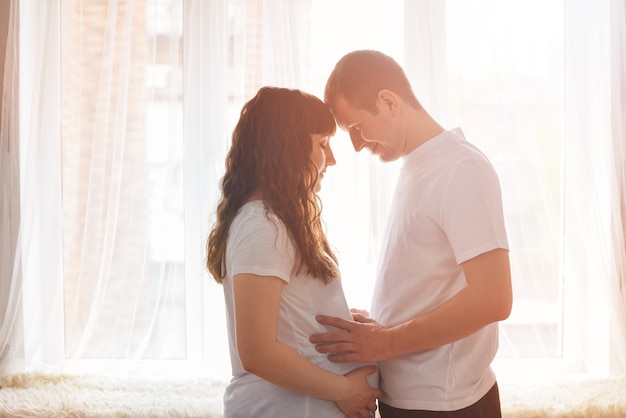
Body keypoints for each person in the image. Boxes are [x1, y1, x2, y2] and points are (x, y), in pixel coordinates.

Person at [309, 50, 513, 417]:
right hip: (409, 397)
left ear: (388, 102)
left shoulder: (461, 169)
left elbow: (493, 298)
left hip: (445, 405)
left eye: (356, 127)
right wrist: (383, 325)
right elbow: (429, 281)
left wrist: (385, 342)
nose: (355, 145)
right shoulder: (415, 167)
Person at [205, 86, 381, 418]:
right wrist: (344, 390)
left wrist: (339, 319)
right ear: (287, 147)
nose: (331, 159)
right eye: (323, 144)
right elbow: (257, 351)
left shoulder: (274, 221)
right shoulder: (262, 225)